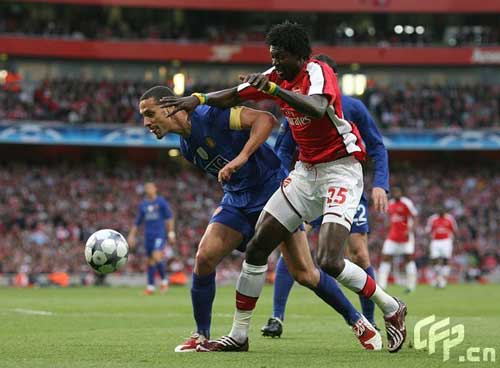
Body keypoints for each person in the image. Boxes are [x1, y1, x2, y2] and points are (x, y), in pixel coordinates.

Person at [161, 21, 406, 353]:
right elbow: (234, 95)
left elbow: (318, 107)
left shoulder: (317, 72)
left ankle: (391, 307)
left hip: (341, 170)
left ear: (298, 55)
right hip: (306, 173)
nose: (274, 64)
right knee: (258, 245)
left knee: (329, 261)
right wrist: (197, 98)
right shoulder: (278, 75)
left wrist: (273, 90)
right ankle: (239, 335)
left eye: (279, 57)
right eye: (271, 57)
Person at [140, 85, 381, 353]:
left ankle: (357, 321)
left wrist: (241, 158)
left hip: (273, 193)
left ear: (169, 106)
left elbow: (265, 120)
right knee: (204, 258)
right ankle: (201, 335)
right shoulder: (186, 147)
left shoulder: (210, 115)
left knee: (305, 273)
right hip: (237, 200)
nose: (146, 123)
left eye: (150, 114)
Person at [261, 54, 389, 338]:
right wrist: (284, 177)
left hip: (343, 185)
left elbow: (377, 146)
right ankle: (276, 317)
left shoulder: (353, 107)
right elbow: (282, 148)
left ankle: (369, 320)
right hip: (308, 183)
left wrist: (380, 183)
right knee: (293, 245)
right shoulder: (295, 105)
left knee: (358, 253)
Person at [128, 182, 176, 295]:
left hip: (159, 234)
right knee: (150, 261)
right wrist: (131, 235)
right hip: (148, 235)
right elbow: (137, 222)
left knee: (156, 255)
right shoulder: (143, 205)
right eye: (147, 188)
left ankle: (164, 282)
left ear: (155, 189)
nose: (149, 189)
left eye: (150, 187)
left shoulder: (161, 202)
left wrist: (171, 233)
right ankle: (150, 288)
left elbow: (169, 218)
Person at [378, 187, 418, 293]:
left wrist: (410, 230)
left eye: (398, 192)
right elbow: (388, 218)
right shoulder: (390, 203)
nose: (396, 193)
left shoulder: (406, 203)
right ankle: (382, 285)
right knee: (385, 257)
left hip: (406, 237)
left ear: (401, 193)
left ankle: (411, 286)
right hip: (392, 236)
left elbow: (415, 216)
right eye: (394, 192)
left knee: (408, 258)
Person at [425, 207, 458, 288]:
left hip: (446, 241)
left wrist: (455, 242)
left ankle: (442, 280)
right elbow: (428, 231)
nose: (441, 211)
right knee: (434, 260)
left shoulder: (450, 218)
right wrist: (428, 241)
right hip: (435, 241)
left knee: (445, 260)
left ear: (445, 211)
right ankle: (439, 278)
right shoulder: (432, 219)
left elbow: (455, 230)